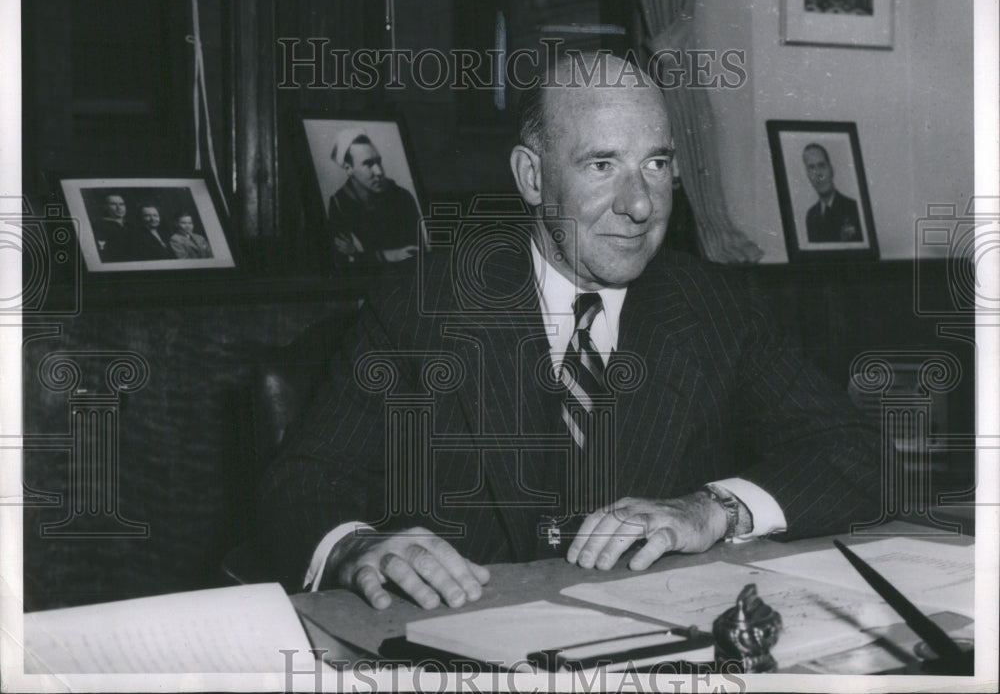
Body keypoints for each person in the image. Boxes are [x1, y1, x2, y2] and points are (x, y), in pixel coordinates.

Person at [260, 53, 881, 611]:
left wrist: (714, 509)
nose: (640, 204)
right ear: (532, 177)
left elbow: (858, 451)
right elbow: (303, 482)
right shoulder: (424, 303)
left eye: (656, 164)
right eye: (602, 164)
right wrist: (354, 547)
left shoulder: (716, 305)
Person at [327, 127, 423, 267]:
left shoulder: (402, 197)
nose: (379, 172)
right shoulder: (339, 203)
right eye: (368, 164)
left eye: (378, 162)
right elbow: (341, 262)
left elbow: (414, 253)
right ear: (348, 168)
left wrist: (358, 254)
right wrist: (388, 256)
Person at [802, 143, 863, 243]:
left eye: (822, 166)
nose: (818, 174)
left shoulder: (853, 208)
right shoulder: (811, 216)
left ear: (831, 169)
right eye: (812, 168)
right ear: (808, 175)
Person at [93, 193, 133, 262]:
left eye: (121, 204)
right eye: (113, 204)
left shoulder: (130, 226)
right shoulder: (99, 226)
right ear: (105, 207)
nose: (119, 208)